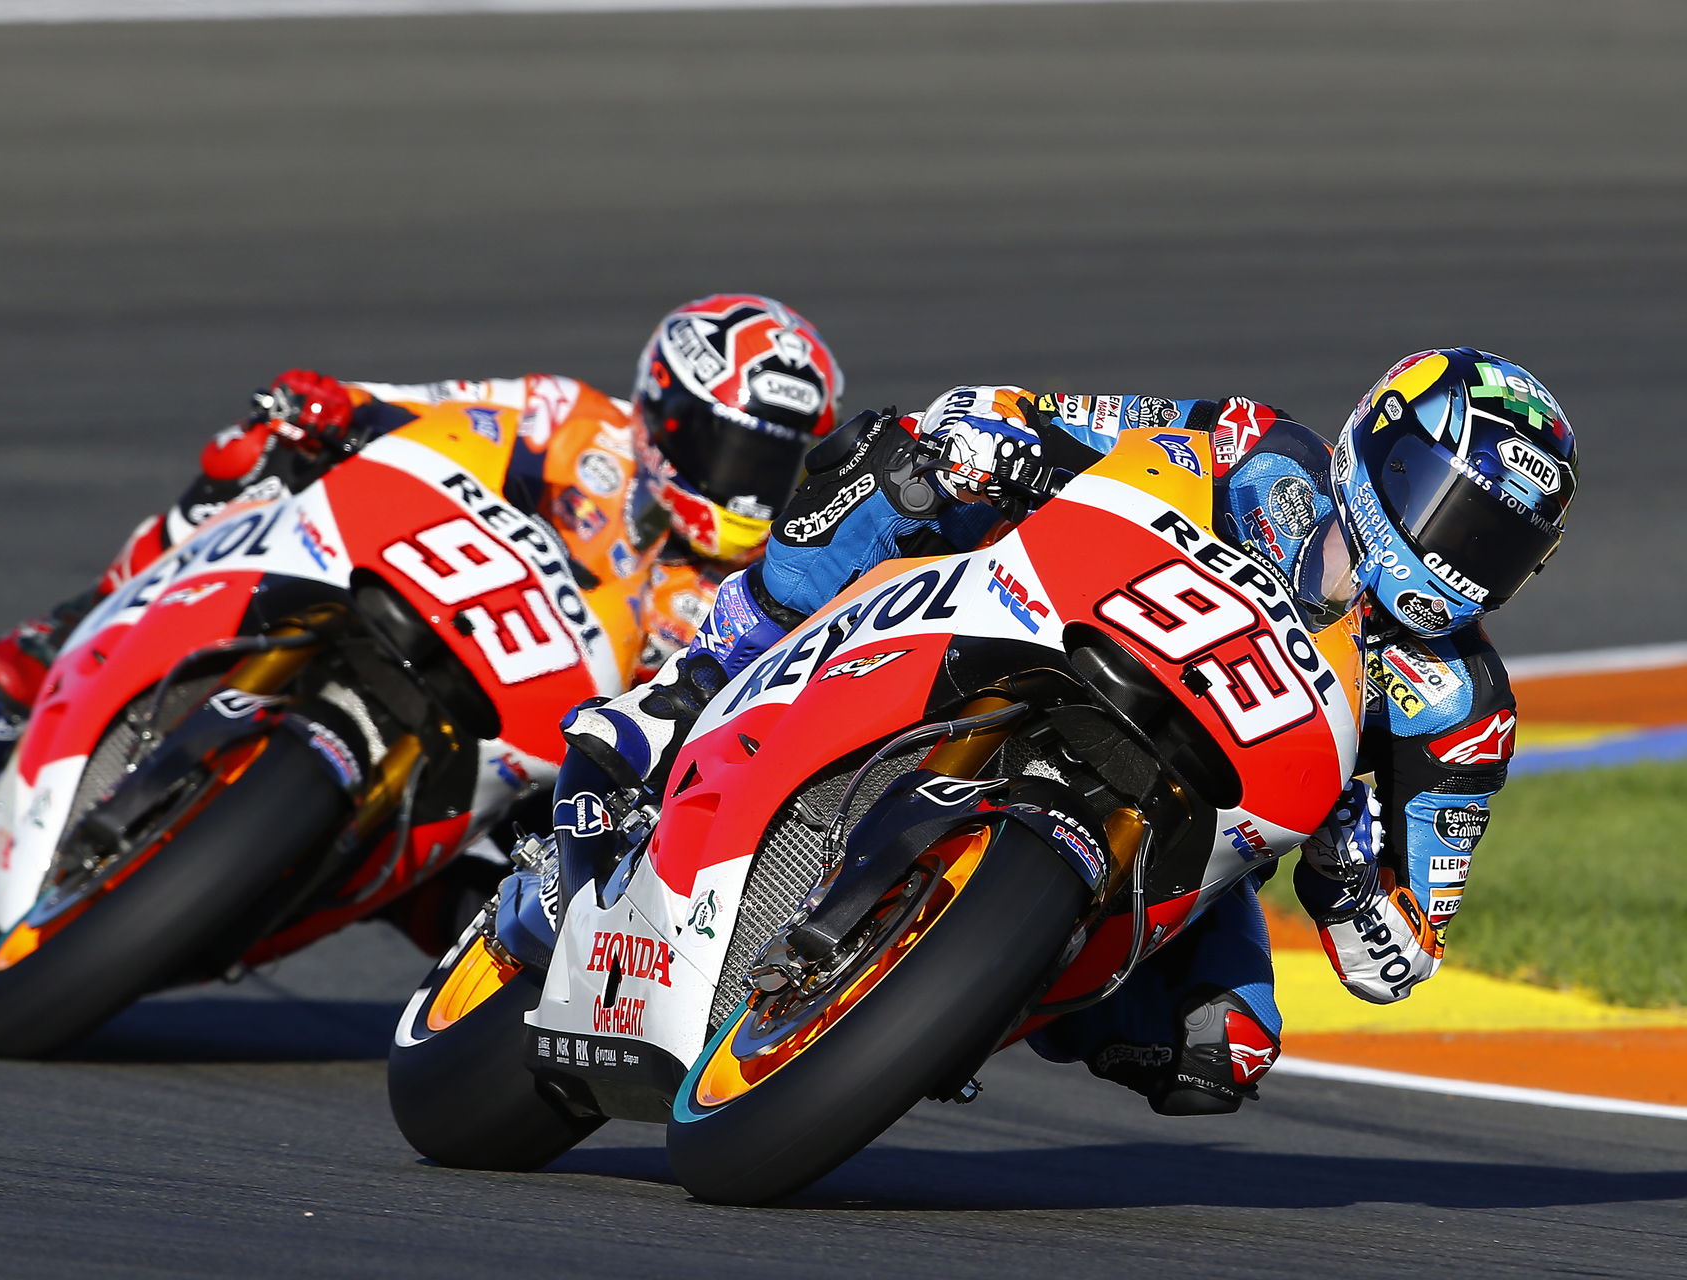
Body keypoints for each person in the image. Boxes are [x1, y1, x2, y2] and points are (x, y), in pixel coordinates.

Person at [545, 348, 1579, 1116]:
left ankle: (955, 1001)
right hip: (1068, 633)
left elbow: (1396, 957)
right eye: (1446, 509)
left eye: (1495, 543)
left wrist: (1355, 878)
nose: (1458, 555)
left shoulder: (1460, 709)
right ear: (1378, 450)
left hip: (1191, 815)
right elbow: (1080, 421)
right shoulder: (1263, 454)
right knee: (895, 459)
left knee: (1226, 1049)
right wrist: (1000, 436)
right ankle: (690, 686)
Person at [0, 294, 845, 945]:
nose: (739, 480)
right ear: (661, 412)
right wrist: (339, 405)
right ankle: (75, 620)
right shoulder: (576, 422)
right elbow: (432, 409)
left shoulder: (762, 584)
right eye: (722, 443)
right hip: (423, 600)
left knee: (525, 922)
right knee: (257, 452)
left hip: (526, 766)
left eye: (769, 461)